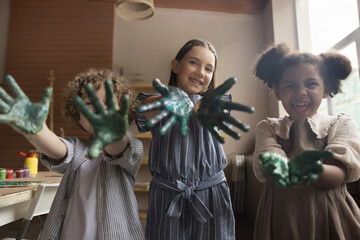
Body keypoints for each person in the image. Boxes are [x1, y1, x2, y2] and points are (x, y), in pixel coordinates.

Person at [0, 68, 144, 240]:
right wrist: (37, 132)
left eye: (108, 104)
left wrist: (114, 133)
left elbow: (118, 148)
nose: (99, 110)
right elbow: (57, 148)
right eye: (89, 104)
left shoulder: (130, 146)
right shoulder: (77, 147)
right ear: (78, 115)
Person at [136, 38, 254, 240]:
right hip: (168, 196)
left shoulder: (217, 101)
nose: (201, 72)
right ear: (175, 65)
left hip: (212, 196)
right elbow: (143, 108)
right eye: (193, 63)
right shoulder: (156, 102)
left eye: (209, 69)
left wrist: (199, 105)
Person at [252, 42, 360, 239]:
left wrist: (307, 169)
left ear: (326, 89)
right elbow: (269, 164)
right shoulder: (268, 128)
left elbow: (336, 174)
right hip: (282, 220)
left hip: (330, 218)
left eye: (311, 84)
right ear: (277, 91)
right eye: (290, 85)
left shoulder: (341, 124)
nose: (300, 91)